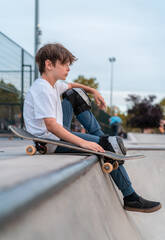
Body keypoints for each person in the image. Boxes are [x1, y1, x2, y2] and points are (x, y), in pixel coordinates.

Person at [23, 43, 161, 213]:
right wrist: (83, 143)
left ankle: (100, 137)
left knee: (76, 94)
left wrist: (93, 90)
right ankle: (131, 197)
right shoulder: (42, 90)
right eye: (65, 64)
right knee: (110, 145)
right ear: (49, 65)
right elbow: (51, 126)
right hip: (50, 141)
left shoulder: (53, 85)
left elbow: (71, 86)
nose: (68, 68)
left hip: (56, 134)